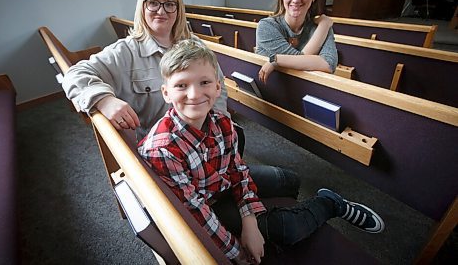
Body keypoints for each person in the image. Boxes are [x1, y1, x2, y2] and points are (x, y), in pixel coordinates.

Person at [138, 39, 385, 264]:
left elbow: (236, 169)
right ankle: (330, 204)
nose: (194, 94)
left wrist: (249, 220)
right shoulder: (163, 150)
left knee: (289, 179)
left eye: (204, 82)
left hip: (219, 184)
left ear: (216, 88)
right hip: (207, 204)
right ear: (166, 93)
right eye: (181, 85)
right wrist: (237, 252)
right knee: (290, 229)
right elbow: (196, 213)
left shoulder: (222, 122)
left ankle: (289, 213)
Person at [61, 0, 228, 141]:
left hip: (204, 140)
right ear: (142, 7)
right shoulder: (125, 52)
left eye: (170, 4)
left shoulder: (196, 46)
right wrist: (104, 100)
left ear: (178, 10)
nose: (161, 11)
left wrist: (219, 130)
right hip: (160, 151)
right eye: (153, 3)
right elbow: (74, 75)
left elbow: (218, 88)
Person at [256, 0, 338, 83]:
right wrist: (324, 25)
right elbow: (299, 58)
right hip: (271, 94)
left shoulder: (320, 28)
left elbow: (329, 65)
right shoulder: (267, 26)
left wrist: (275, 61)